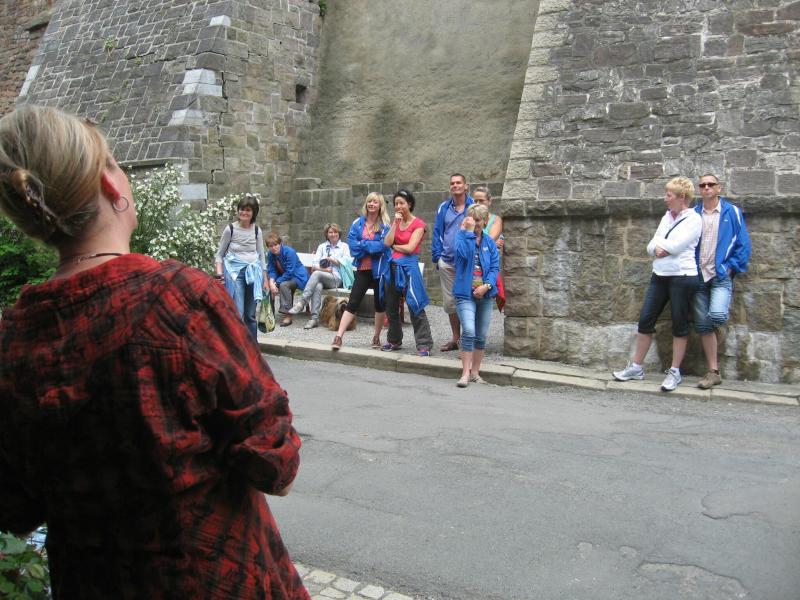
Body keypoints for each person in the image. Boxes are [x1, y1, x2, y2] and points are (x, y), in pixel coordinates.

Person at [0, 105, 308, 599]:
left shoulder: (14, 339)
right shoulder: (178, 301)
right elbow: (275, 462)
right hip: (211, 580)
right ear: (111, 183)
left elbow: (15, 506)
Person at [612, 176, 702, 392]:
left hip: (682, 276)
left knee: (679, 324)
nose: (665, 199)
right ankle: (636, 367)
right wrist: (659, 247)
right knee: (645, 319)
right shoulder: (666, 217)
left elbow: (676, 246)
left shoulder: (694, 219)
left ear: (681, 197)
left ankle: (674, 372)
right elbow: (651, 246)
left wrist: (662, 246)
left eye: (668, 195)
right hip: (660, 275)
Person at [692, 173, 751, 389]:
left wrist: (729, 268)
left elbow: (743, 244)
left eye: (711, 184)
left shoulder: (731, 212)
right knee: (703, 325)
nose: (706, 188)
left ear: (719, 188)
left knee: (717, 315)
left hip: (720, 275)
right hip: (698, 276)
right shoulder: (693, 214)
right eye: (702, 185)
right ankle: (713, 371)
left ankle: (715, 337)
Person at [332, 192, 391, 349]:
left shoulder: (385, 225)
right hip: (363, 269)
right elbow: (353, 247)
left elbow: (383, 247)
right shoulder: (357, 223)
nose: (372, 204)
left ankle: (376, 337)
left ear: (380, 205)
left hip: (379, 270)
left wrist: (363, 243)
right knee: (353, 302)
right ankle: (338, 337)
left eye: (375, 202)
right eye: (369, 201)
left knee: (380, 304)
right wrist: (369, 246)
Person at [382, 189, 434, 356]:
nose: (398, 206)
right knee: (391, 307)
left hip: (409, 269)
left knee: (415, 305)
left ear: (409, 204)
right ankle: (394, 340)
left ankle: (424, 344)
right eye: (396, 203)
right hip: (392, 267)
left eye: (402, 203)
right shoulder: (396, 223)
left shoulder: (419, 224)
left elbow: (411, 248)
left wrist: (394, 246)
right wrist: (395, 224)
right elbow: (386, 242)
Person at [453, 204, 500, 387]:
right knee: (469, 331)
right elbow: (463, 255)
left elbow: (494, 267)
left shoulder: (489, 243)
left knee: (480, 335)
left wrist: (486, 286)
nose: (475, 223)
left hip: (485, 296)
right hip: (465, 294)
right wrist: (468, 233)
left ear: (485, 221)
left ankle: (475, 372)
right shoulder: (461, 237)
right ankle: (465, 373)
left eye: (478, 220)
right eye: (472, 219)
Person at [214, 193, 267, 339]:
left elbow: (261, 256)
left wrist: (265, 280)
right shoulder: (230, 229)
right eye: (242, 209)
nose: (244, 212)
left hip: (253, 274)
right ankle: (236, 345)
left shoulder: (257, 231)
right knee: (238, 313)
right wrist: (219, 275)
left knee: (250, 314)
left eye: (248, 210)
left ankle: (252, 347)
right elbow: (219, 255)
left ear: (253, 213)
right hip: (234, 274)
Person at [432, 173, 473, 352]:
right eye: (452, 183)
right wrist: (437, 257)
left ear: (466, 186)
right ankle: (456, 339)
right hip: (447, 261)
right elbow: (437, 232)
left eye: (458, 183)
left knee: (467, 300)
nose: (455, 185)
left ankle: (467, 340)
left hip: (467, 263)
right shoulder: (444, 207)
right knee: (450, 303)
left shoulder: (473, 206)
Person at [288, 223, 351, 329]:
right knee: (317, 286)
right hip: (322, 276)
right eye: (330, 232)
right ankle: (314, 319)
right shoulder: (322, 247)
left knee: (316, 274)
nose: (333, 234)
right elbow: (314, 264)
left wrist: (333, 261)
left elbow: (347, 263)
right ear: (327, 234)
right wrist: (324, 270)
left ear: (339, 233)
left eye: (335, 232)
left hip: (337, 278)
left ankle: (302, 302)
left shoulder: (344, 246)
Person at [472, 185, 506, 312]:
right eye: (475, 200)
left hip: (487, 267)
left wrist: (491, 242)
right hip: (471, 266)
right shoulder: (469, 218)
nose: (477, 204)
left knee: (484, 302)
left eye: (481, 201)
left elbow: (487, 241)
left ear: (489, 201)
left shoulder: (496, 220)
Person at [266, 232, 309, 327]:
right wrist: (271, 282)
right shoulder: (270, 254)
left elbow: (290, 271)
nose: (273, 248)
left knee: (283, 285)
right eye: (270, 246)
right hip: (284, 277)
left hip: (298, 277)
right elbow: (272, 270)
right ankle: (270, 314)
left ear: (280, 244)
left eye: (275, 245)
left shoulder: (289, 252)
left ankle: (288, 315)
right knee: (269, 286)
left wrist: (276, 282)